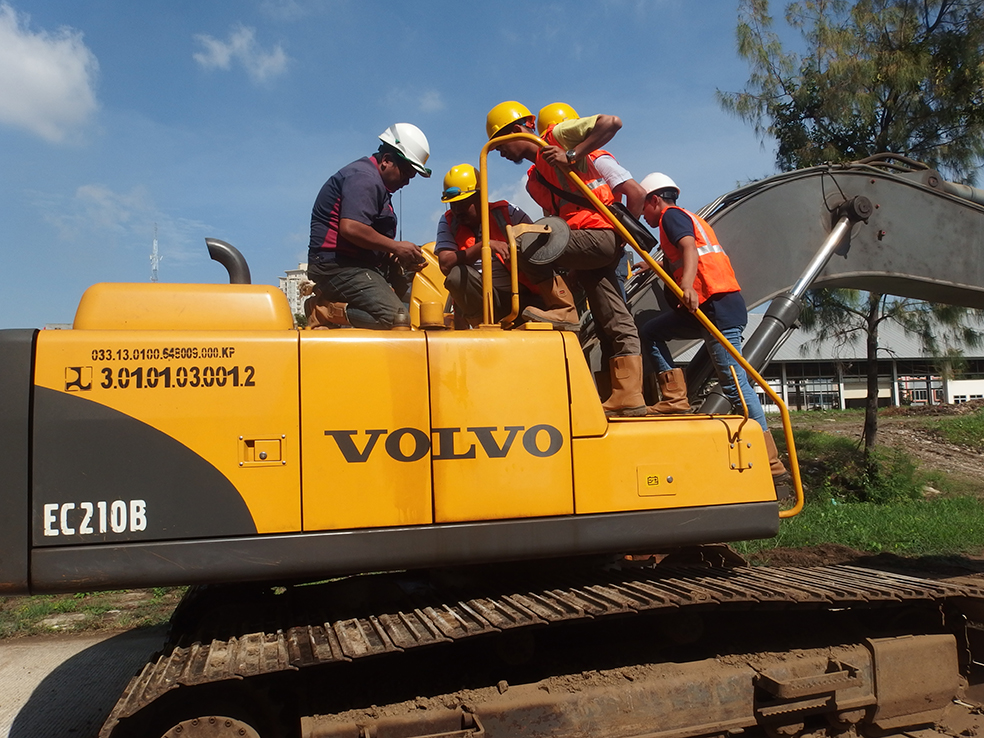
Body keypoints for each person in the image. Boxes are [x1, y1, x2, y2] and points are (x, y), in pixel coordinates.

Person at [485, 101, 646, 416]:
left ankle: (563, 309)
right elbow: (557, 225)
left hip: (600, 234)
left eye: (500, 143)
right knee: (611, 317)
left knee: (521, 239)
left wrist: (571, 154)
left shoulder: (557, 136)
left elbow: (612, 122)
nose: (500, 152)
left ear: (519, 130)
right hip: (584, 245)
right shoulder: (534, 180)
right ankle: (629, 396)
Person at [636, 172, 789, 484]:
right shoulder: (683, 218)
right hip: (705, 307)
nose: (642, 214)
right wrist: (654, 266)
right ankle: (675, 397)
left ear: (655, 200)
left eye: (643, 207)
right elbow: (681, 257)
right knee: (652, 332)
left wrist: (688, 286)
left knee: (735, 385)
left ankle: (773, 467)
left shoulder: (671, 217)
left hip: (716, 306)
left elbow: (690, 249)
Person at [305, 123, 431, 330]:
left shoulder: (376, 185)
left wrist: (396, 256)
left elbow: (369, 237)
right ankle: (324, 310)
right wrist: (396, 247)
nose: (407, 182)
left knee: (411, 306)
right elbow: (351, 228)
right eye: (406, 173)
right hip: (337, 267)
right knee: (395, 319)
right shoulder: (363, 178)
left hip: (358, 265)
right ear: (387, 160)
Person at [435, 164, 543, 325]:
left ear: (480, 196)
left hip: (523, 298)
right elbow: (445, 264)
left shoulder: (509, 213)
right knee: (456, 275)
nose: (457, 210)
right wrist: (485, 246)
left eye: (463, 204)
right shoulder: (448, 221)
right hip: (486, 303)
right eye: (453, 204)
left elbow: (541, 249)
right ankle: (482, 327)